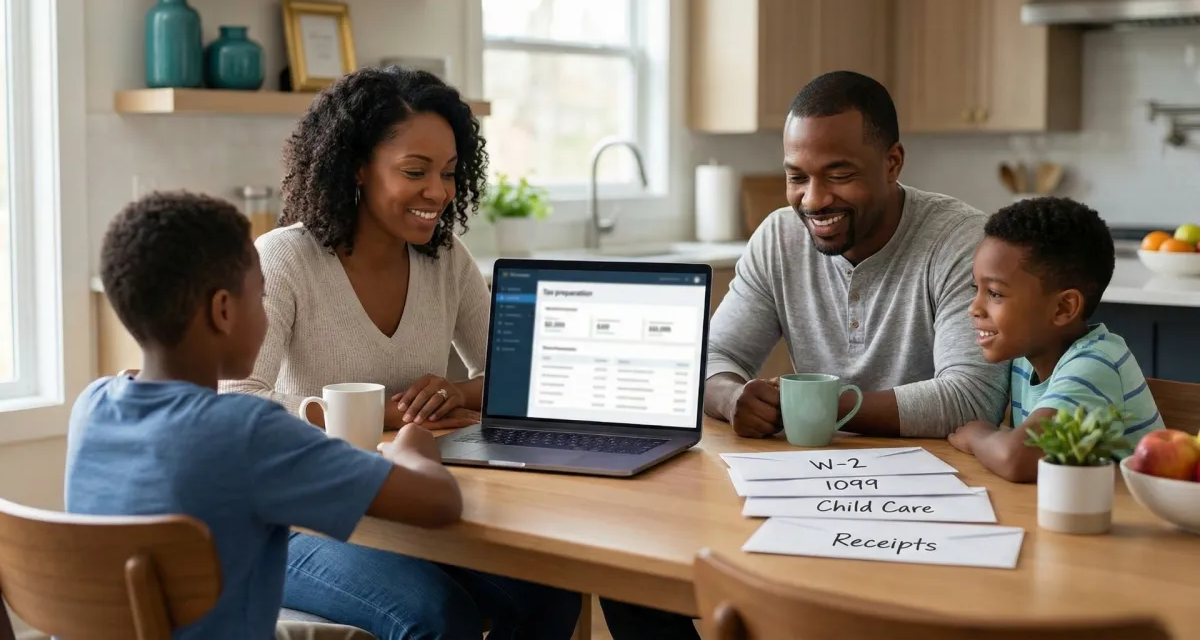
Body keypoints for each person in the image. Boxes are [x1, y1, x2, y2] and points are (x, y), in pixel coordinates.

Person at [598, 71, 1010, 640]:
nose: (813, 200)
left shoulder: (961, 241)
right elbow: (710, 356)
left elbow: (972, 398)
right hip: (806, 488)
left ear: (892, 162)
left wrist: (816, 406)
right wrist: (732, 396)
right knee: (630, 566)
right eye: (797, 177)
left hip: (929, 504)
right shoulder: (779, 237)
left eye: (839, 175)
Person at [219, 66, 581, 640]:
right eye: (415, 171)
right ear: (357, 167)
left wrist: (455, 392)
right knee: (437, 616)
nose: (438, 191)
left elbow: (519, 375)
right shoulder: (285, 258)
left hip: (404, 503)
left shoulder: (445, 257)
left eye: (449, 172)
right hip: (295, 520)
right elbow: (237, 402)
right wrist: (366, 413)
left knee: (551, 587)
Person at [66, 191, 463, 640]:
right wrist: (411, 443)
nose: (267, 314)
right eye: (261, 296)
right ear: (223, 311)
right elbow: (438, 502)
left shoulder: (92, 405)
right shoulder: (247, 431)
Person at [948, 196, 1164, 482]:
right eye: (976, 288)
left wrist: (979, 436)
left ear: (1063, 308)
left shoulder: (1096, 364)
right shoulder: (1026, 358)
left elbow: (1018, 459)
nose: (974, 308)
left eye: (995, 293)